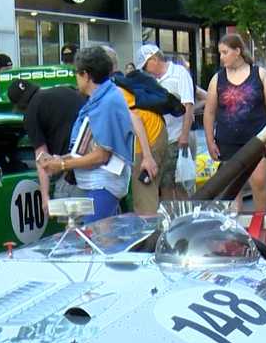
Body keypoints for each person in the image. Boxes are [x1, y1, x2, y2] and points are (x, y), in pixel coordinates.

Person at [39, 46, 133, 224]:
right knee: (98, 240)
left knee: (98, 241)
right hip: (97, 184)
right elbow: (89, 145)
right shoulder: (102, 99)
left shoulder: (107, 102)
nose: (75, 77)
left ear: (86, 75)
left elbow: (101, 155)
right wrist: (61, 158)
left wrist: (62, 164)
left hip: (104, 184)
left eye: (77, 73)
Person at [203, 33, 266, 214]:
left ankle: (262, 221)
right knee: (230, 187)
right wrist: (209, 140)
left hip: (257, 138)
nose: (221, 57)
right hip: (227, 140)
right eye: (220, 53)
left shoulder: (259, 74)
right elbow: (209, 111)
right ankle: (233, 223)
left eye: (224, 52)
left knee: (259, 181)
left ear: (237, 51)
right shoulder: (218, 79)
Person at [8, 78, 87, 214]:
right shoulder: (66, 90)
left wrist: (45, 197)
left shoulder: (31, 113)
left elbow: (42, 157)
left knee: (76, 231)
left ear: (19, 105)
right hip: (97, 167)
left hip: (71, 177)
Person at [102, 46, 162, 215]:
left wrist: (147, 156)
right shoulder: (120, 81)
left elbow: (134, 119)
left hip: (146, 140)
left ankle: (152, 240)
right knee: (146, 198)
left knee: (145, 204)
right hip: (153, 134)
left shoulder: (113, 88)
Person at [136, 44, 195, 199]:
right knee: (165, 183)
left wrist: (184, 135)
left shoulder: (179, 73)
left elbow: (188, 105)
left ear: (154, 59)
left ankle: (186, 216)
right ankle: (171, 216)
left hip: (177, 137)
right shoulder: (152, 80)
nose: (145, 70)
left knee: (181, 182)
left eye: (145, 66)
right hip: (162, 138)